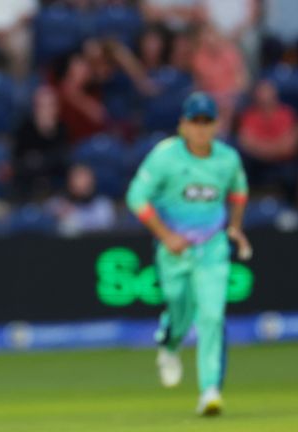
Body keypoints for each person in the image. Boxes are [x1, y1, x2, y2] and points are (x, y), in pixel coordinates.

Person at [125, 92, 251, 416]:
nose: (200, 128)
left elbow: (238, 192)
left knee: (212, 315)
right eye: (194, 122)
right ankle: (169, 344)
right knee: (180, 306)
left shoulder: (227, 159)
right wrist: (166, 236)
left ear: (215, 125)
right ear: (182, 125)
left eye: (206, 121)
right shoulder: (165, 157)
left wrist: (235, 227)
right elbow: (136, 197)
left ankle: (210, 390)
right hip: (174, 252)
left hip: (212, 248)